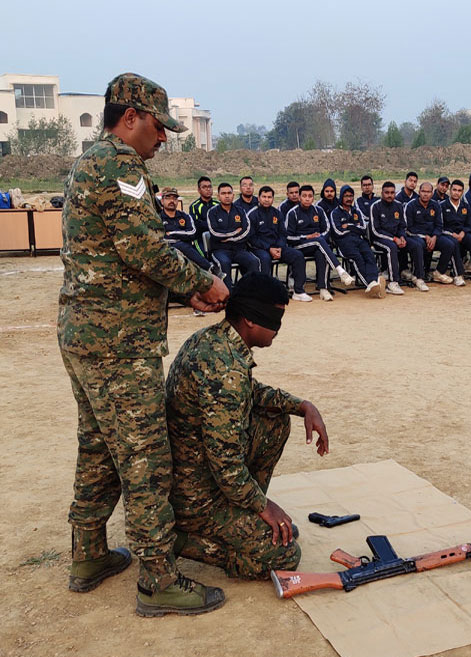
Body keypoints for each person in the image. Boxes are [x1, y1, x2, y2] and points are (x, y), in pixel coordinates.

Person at [58, 73, 230, 617]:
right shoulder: (120, 164)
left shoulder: (90, 161)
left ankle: (88, 554)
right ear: (130, 116)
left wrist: (181, 293)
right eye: (158, 127)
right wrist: (202, 282)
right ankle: (158, 579)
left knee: (98, 447)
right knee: (146, 458)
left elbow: (118, 257)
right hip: (117, 344)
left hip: (86, 334)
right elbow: (143, 249)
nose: (162, 139)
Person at [165, 273, 329, 586]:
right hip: (194, 498)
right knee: (284, 554)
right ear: (251, 320)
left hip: (196, 473)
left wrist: (302, 406)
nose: (278, 329)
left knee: (275, 419)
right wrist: (263, 505)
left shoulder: (217, 341)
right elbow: (226, 466)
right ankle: (181, 539)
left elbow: (250, 392)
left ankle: (245, 514)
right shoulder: (224, 367)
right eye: (275, 320)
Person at [284, 185, 355, 301]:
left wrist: (319, 237)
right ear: (299, 198)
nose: (307, 198)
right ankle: (340, 270)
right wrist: (306, 237)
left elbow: (327, 229)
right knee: (319, 243)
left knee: (321, 252)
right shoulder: (292, 213)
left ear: (313, 198)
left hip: (317, 244)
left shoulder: (319, 211)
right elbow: (288, 237)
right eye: (304, 196)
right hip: (299, 245)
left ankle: (323, 288)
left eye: (310, 196)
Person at [246, 185, 311, 302]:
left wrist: (279, 247)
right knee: (265, 259)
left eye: (269, 197)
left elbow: (283, 234)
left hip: (277, 247)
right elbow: (252, 238)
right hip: (259, 248)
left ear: (273, 198)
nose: (267, 199)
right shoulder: (252, 215)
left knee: (297, 255)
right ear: (259, 198)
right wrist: (269, 248)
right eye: (264, 197)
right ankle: (265, 294)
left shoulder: (277, 213)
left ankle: (298, 291)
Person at [328, 185, 386, 297]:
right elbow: (338, 232)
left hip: (359, 240)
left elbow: (363, 228)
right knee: (358, 259)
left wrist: (348, 226)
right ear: (341, 197)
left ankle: (375, 283)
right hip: (344, 243)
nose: (349, 198)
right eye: (346, 196)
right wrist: (355, 226)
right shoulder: (335, 213)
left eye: (351, 196)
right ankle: (370, 283)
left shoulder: (356, 211)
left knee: (369, 255)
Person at [404, 181, 457, 289]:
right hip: (415, 236)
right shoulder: (411, 205)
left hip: (432, 236)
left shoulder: (435, 205)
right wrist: (425, 236)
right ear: (419, 192)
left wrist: (434, 237)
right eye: (423, 191)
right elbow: (409, 227)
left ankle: (439, 272)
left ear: (432, 193)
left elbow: (439, 225)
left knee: (449, 244)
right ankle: (419, 277)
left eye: (428, 192)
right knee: (418, 245)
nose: (425, 194)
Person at [206, 183, 261, 285]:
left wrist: (229, 238)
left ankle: (250, 291)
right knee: (224, 263)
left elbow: (246, 231)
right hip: (220, 250)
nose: (227, 196)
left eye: (229, 193)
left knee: (254, 261)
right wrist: (235, 232)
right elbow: (215, 233)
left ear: (233, 195)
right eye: (223, 193)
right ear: (218, 196)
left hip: (239, 249)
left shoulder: (240, 210)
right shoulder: (212, 212)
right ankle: (228, 292)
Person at [367, 182, 409, 295]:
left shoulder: (399, 206)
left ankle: (416, 276)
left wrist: (402, 237)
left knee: (414, 243)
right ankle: (393, 282)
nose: (389, 195)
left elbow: (402, 226)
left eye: (392, 193)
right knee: (391, 247)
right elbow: (375, 231)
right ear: (382, 193)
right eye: (387, 193)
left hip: (396, 238)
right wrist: (394, 239)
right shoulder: (375, 206)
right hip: (379, 239)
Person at [441, 178, 471, 284]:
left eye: (459, 190)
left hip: (462, 233)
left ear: (462, 192)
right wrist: (452, 234)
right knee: (453, 243)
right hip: (448, 234)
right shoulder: (442, 205)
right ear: (450, 190)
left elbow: (470, 225)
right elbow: (440, 226)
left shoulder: (465, 206)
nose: (456, 193)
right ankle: (458, 275)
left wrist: (463, 232)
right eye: (454, 190)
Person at [159, 187, 213, 272]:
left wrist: (173, 233)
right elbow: (161, 237)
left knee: (184, 246)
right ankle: (210, 268)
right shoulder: (158, 218)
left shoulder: (185, 216)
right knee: (181, 245)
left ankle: (209, 271)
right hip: (167, 253)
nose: (172, 201)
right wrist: (182, 237)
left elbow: (192, 233)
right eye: (168, 198)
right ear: (162, 201)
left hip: (187, 253)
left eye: (175, 198)